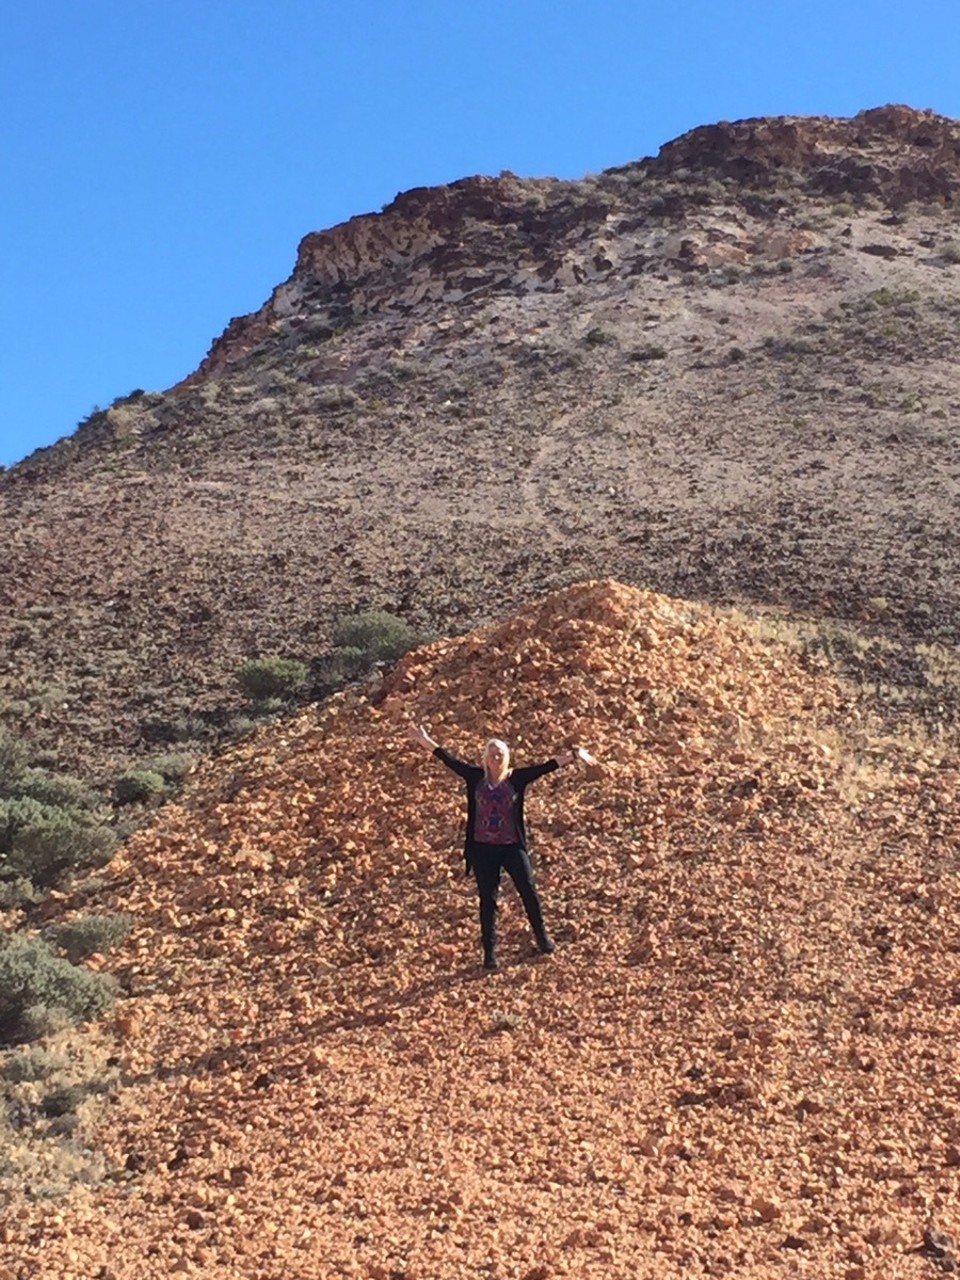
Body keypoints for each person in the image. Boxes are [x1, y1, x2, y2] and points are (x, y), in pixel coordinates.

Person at [408, 724, 595, 971]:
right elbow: (449, 760)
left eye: (500, 753)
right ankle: (489, 954)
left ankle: (543, 940)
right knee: (488, 899)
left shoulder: (516, 778)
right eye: (492, 753)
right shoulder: (475, 777)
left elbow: (546, 767)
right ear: (485, 757)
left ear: (506, 757)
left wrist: (574, 755)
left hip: (511, 846)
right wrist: (425, 740)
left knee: (528, 890)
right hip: (483, 849)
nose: (496, 757)